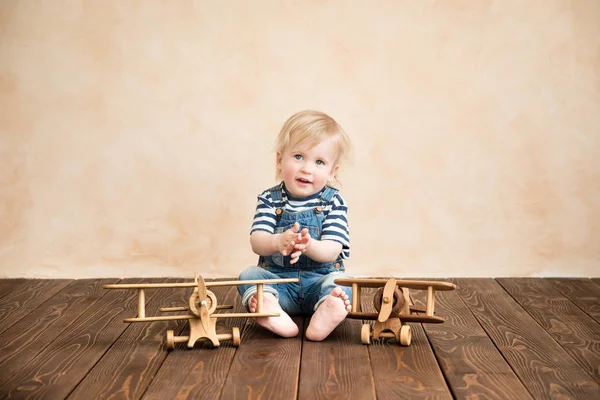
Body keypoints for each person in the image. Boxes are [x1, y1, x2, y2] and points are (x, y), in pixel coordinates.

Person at [237, 110, 353, 341]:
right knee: (248, 274)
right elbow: (257, 241)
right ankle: (270, 308)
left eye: (319, 162)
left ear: (332, 172)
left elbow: (332, 249)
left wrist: (310, 246)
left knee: (341, 282)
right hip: (280, 284)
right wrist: (277, 241)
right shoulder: (270, 200)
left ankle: (327, 310)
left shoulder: (333, 202)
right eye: (299, 156)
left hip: (318, 282)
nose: (307, 169)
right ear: (280, 160)